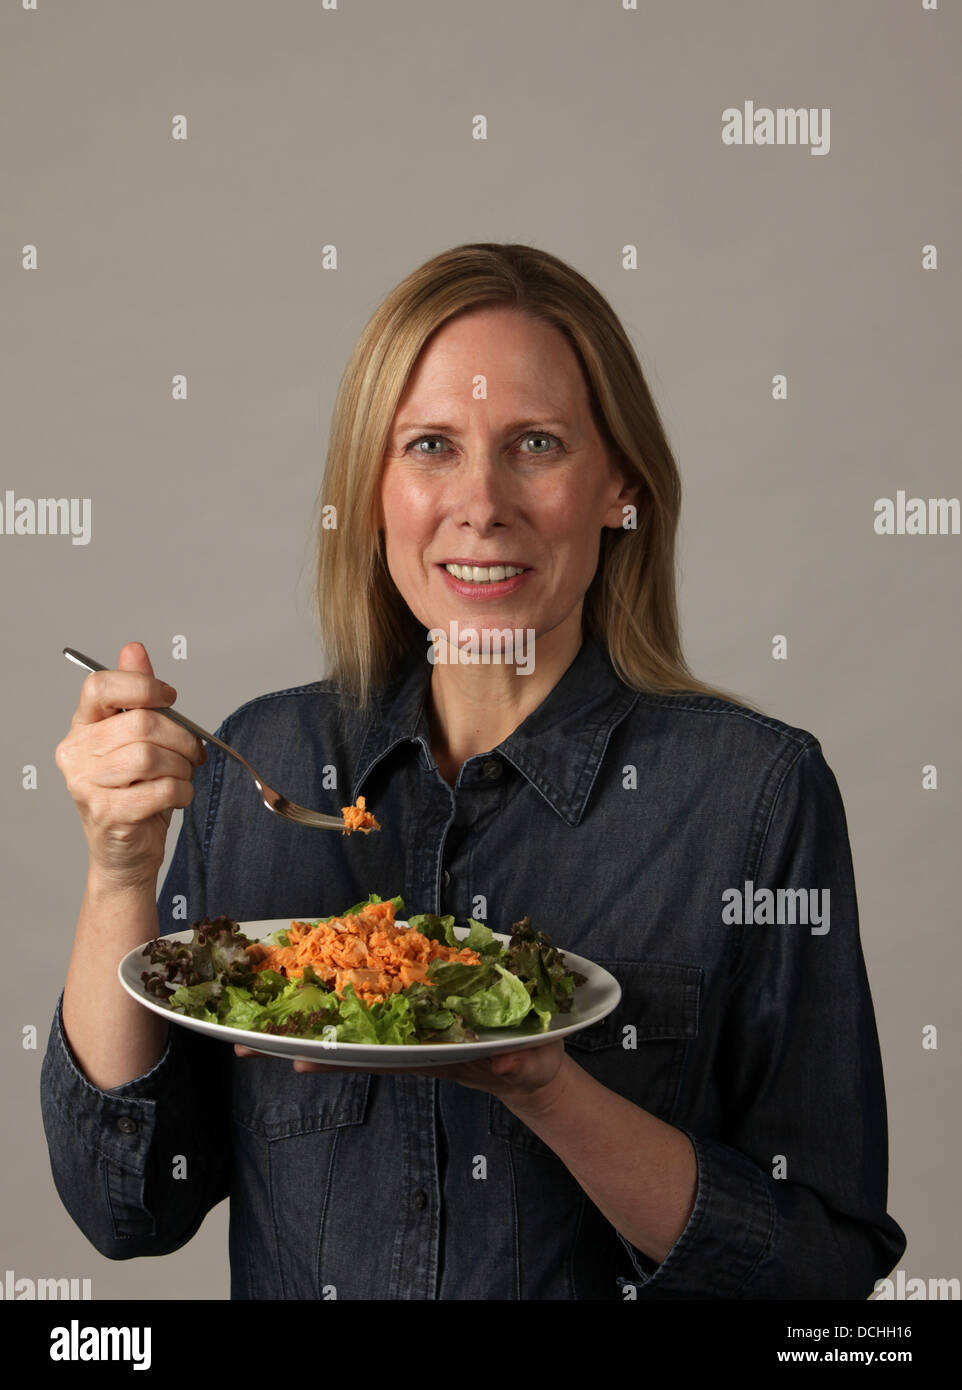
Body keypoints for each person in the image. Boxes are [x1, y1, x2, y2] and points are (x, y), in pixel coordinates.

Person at [41, 242, 906, 1300]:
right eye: (431, 446)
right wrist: (121, 868)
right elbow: (124, 1205)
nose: (481, 502)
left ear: (618, 487)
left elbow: (819, 1271)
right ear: (371, 492)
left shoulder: (753, 796)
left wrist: (548, 1090)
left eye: (534, 444)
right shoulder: (263, 769)